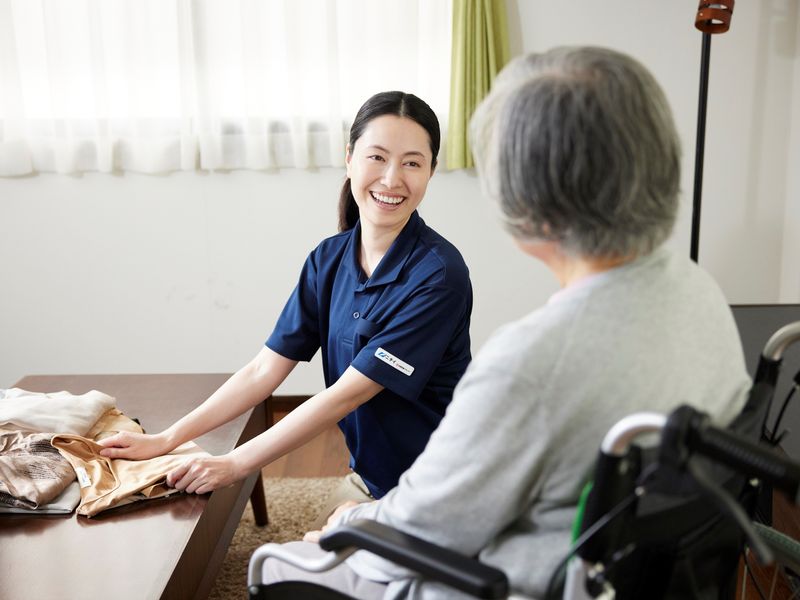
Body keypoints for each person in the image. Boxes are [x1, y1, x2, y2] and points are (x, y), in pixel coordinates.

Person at [260, 46, 752, 599]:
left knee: (276, 566)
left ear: (525, 199)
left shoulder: (530, 362)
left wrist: (350, 521)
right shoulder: (698, 290)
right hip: (636, 568)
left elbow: (422, 530)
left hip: (519, 581)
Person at [98, 91, 473, 515]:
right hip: (375, 479)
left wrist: (233, 464)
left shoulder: (439, 276)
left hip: (440, 485)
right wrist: (167, 439)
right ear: (349, 158)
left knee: (309, 567)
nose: (391, 179)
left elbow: (346, 397)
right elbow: (264, 369)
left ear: (430, 171)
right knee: (316, 558)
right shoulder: (328, 260)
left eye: (411, 162)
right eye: (377, 157)